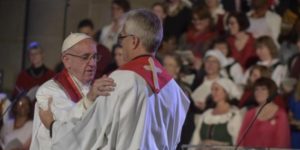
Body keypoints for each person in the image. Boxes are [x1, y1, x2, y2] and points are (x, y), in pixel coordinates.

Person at [38, 9, 190, 150]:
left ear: (134, 41)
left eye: (122, 37)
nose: (121, 44)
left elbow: (90, 133)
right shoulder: (173, 88)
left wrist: (53, 127)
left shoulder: (121, 80)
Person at [30, 33, 116, 150]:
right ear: (67, 60)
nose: (92, 63)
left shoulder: (97, 86)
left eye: (95, 57)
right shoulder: (48, 91)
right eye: (85, 57)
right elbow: (65, 127)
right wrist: (89, 99)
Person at [238, 77, 290, 148]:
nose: (258, 92)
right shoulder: (249, 114)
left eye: (263, 89)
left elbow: (283, 143)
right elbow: (240, 140)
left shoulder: (281, 114)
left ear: (271, 91)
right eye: (256, 89)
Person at [190, 78, 242, 146]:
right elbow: (195, 140)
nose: (213, 92)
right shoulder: (207, 114)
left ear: (226, 92)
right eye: (212, 89)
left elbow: (237, 142)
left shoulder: (234, 115)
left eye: (216, 89)